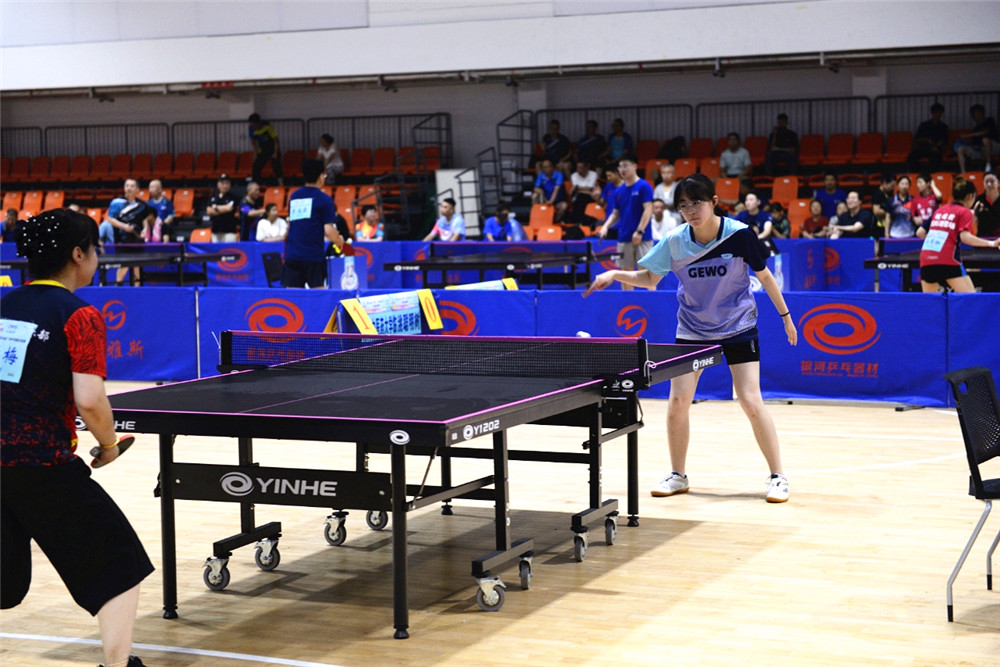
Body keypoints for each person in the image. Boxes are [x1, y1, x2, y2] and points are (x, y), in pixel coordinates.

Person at [584, 173, 796, 503]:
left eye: (697, 203)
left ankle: (778, 476)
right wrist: (614, 273)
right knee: (678, 402)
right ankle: (677, 475)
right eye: (683, 206)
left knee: (750, 400)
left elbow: (765, 276)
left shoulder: (739, 234)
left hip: (738, 324)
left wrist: (786, 317)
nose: (690, 211)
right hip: (693, 328)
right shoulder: (675, 241)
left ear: (714, 202)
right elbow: (650, 278)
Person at [1, 208, 153, 667]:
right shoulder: (79, 315)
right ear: (77, 255)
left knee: (4, 582)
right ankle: (118, 664)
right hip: (41, 465)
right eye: (94, 249)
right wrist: (109, 446)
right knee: (119, 562)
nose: (97, 257)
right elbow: (90, 401)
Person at [919, 177, 1000, 292]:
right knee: (970, 298)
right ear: (970, 196)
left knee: (931, 301)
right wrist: (992, 243)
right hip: (948, 260)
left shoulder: (940, 210)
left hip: (926, 259)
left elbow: (920, 232)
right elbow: (965, 237)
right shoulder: (965, 212)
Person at [597, 153, 654, 290]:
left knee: (646, 273)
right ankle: (628, 300)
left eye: (625, 166)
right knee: (625, 274)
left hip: (642, 237)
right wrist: (605, 227)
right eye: (620, 166)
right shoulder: (618, 191)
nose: (622, 169)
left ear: (635, 166)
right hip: (624, 236)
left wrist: (639, 231)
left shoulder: (644, 186)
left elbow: (648, 209)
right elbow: (615, 213)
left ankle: (651, 301)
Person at [283, 158, 343, 288]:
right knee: (319, 294)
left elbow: (291, 224)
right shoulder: (324, 199)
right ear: (320, 177)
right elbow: (329, 230)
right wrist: (339, 241)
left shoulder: (294, 196)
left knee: (293, 295)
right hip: (313, 256)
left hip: (292, 255)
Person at [99, 179, 154, 247]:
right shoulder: (116, 202)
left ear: (137, 189)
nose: (129, 188)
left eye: (132, 186)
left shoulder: (142, 204)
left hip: (138, 241)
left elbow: (144, 219)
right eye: (127, 186)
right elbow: (110, 219)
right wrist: (124, 226)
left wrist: (145, 229)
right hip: (120, 241)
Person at [955, 104, 998, 173]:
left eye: (974, 113)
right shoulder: (975, 128)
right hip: (981, 150)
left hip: (994, 147)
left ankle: (988, 165)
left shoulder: (990, 120)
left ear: (980, 112)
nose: (973, 115)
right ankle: (963, 172)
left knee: (985, 140)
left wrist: (966, 135)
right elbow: (975, 143)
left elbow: (985, 132)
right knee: (960, 149)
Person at [907, 103, 949, 172]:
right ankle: (915, 173)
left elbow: (944, 140)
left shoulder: (944, 127)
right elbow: (918, 139)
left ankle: (932, 174)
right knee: (912, 156)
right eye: (936, 112)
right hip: (924, 148)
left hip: (936, 149)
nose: (938, 114)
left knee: (936, 158)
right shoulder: (924, 125)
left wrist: (937, 146)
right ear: (932, 113)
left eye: (940, 113)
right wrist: (927, 140)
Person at [248, 112, 283, 186]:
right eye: (252, 125)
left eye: (255, 125)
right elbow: (253, 141)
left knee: (277, 167)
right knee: (256, 167)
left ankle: (281, 185)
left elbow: (276, 140)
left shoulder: (268, 127)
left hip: (272, 149)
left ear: (258, 123)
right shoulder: (251, 128)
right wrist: (255, 153)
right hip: (262, 150)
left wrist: (275, 153)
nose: (254, 126)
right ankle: (257, 185)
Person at [531, 159, 568, 224]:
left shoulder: (559, 175)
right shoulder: (541, 176)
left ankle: (555, 221)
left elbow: (556, 190)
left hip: (557, 200)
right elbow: (535, 188)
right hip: (545, 199)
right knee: (534, 196)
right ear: (543, 169)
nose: (548, 169)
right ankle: (537, 217)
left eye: (549, 166)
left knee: (564, 206)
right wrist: (540, 191)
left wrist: (551, 201)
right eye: (545, 167)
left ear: (552, 167)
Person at [206, 174, 239, 242]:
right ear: (218, 184)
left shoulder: (233, 197)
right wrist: (223, 209)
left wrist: (216, 207)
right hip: (216, 231)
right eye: (223, 183)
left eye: (227, 183)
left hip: (229, 232)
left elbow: (229, 208)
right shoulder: (213, 197)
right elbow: (209, 211)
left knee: (229, 249)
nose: (225, 186)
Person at [653, 163, 682, 229]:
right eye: (664, 173)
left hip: (674, 214)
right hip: (659, 213)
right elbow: (655, 201)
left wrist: (661, 202)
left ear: (673, 174)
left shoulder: (677, 187)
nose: (666, 175)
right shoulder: (658, 187)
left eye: (668, 172)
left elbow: (675, 202)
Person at [569, 160, 599, 225]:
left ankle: (577, 222)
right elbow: (575, 189)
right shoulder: (574, 175)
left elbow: (590, 188)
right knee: (579, 198)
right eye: (577, 167)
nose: (578, 170)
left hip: (590, 196)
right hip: (579, 196)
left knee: (581, 198)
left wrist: (578, 188)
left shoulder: (593, 174)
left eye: (580, 167)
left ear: (586, 168)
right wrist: (585, 190)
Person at [972, 171, 1000, 238]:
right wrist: (975, 212)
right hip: (982, 238)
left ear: (999, 183)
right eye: (986, 182)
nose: (989, 184)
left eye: (992, 181)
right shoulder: (977, 200)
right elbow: (972, 221)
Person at [870, 173, 897, 239]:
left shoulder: (888, 194)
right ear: (884, 183)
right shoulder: (878, 194)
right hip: (878, 226)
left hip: (886, 225)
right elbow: (876, 211)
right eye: (891, 186)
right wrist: (891, 211)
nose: (892, 188)